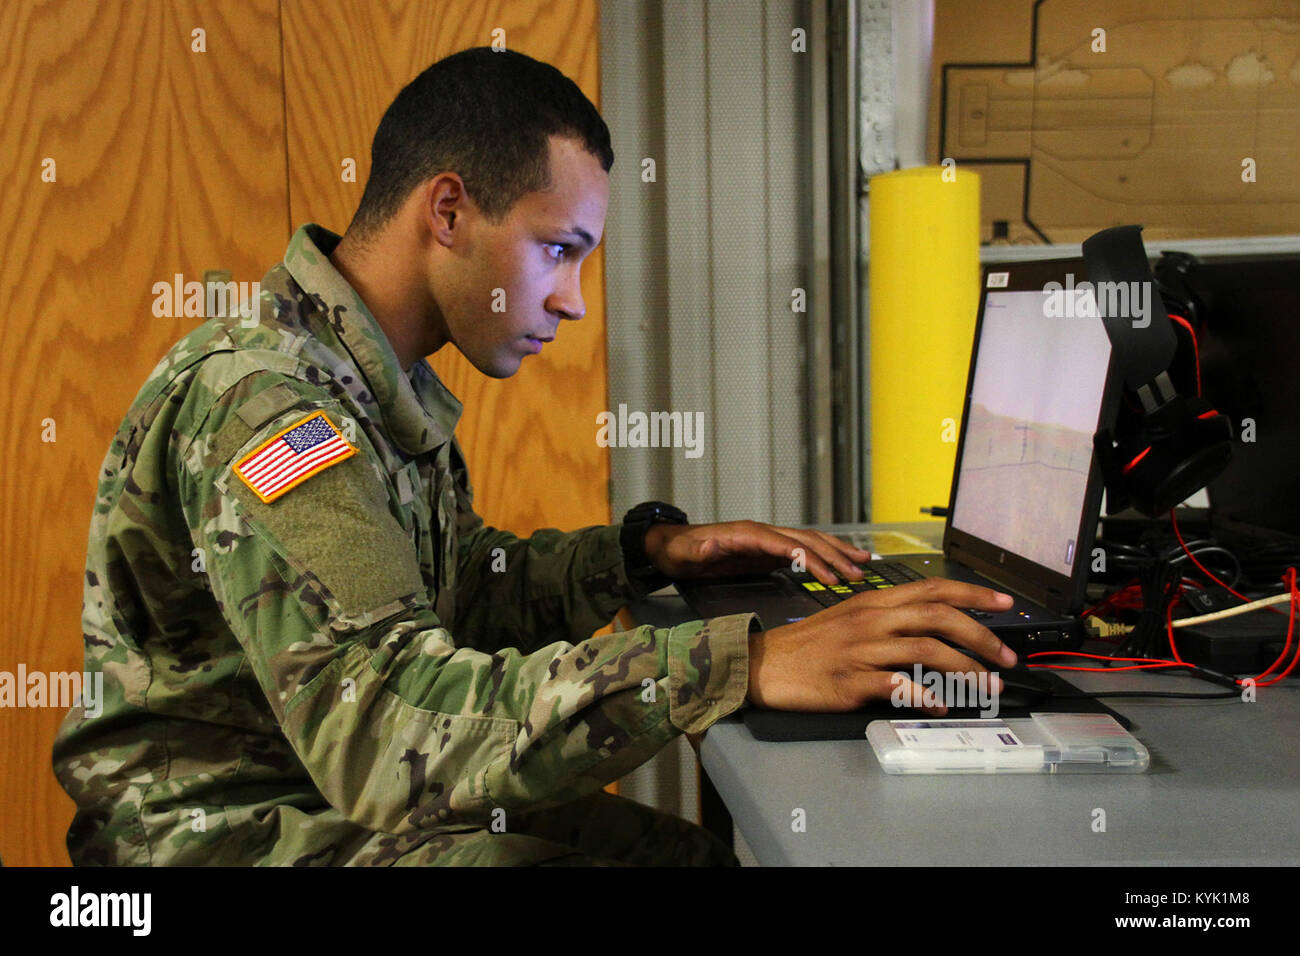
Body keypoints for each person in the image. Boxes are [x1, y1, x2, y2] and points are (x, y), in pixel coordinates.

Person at [52, 47, 1015, 866]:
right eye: (560, 250)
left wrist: (641, 558)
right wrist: (736, 661)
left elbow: (459, 588)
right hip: (214, 832)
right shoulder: (271, 405)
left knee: (690, 859)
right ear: (448, 212)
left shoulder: (373, 377)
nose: (575, 301)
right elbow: (389, 730)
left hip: (311, 792)